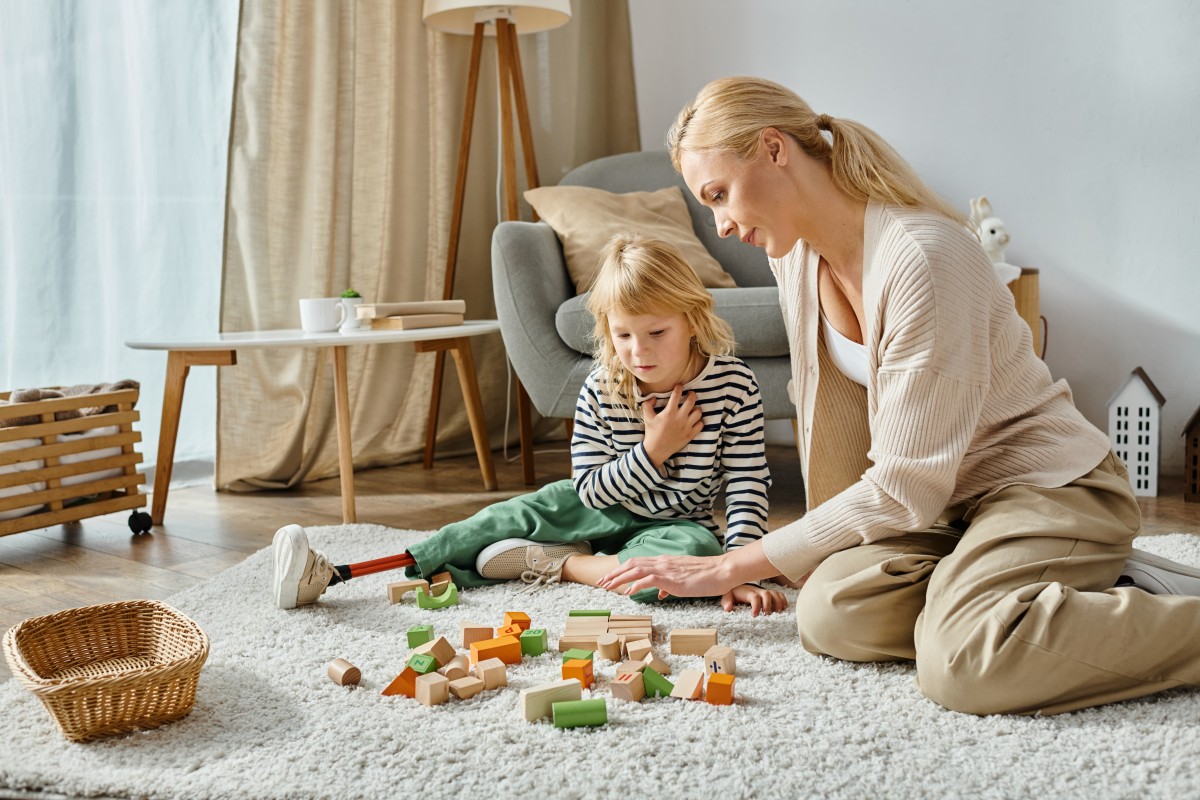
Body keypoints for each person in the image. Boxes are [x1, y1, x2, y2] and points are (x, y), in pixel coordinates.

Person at [598, 76, 1200, 716]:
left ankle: (1045, 595)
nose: (720, 225)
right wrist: (809, 554)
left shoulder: (922, 257)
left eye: (719, 195)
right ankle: (1030, 590)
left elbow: (905, 482)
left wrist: (733, 564)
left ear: (774, 149)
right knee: (830, 612)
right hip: (946, 510)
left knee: (965, 666)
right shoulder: (795, 257)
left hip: (1045, 488)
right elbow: (832, 423)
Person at [272, 233, 786, 615]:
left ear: (693, 319)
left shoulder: (733, 384)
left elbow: (745, 486)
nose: (639, 351)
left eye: (656, 332)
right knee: (496, 521)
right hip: (593, 507)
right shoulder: (603, 385)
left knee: (691, 562)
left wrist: (733, 569)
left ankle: (559, 563)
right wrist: (653, 452)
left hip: (678, 525)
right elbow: (590, 492)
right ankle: (335, 574)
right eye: (624, 335)